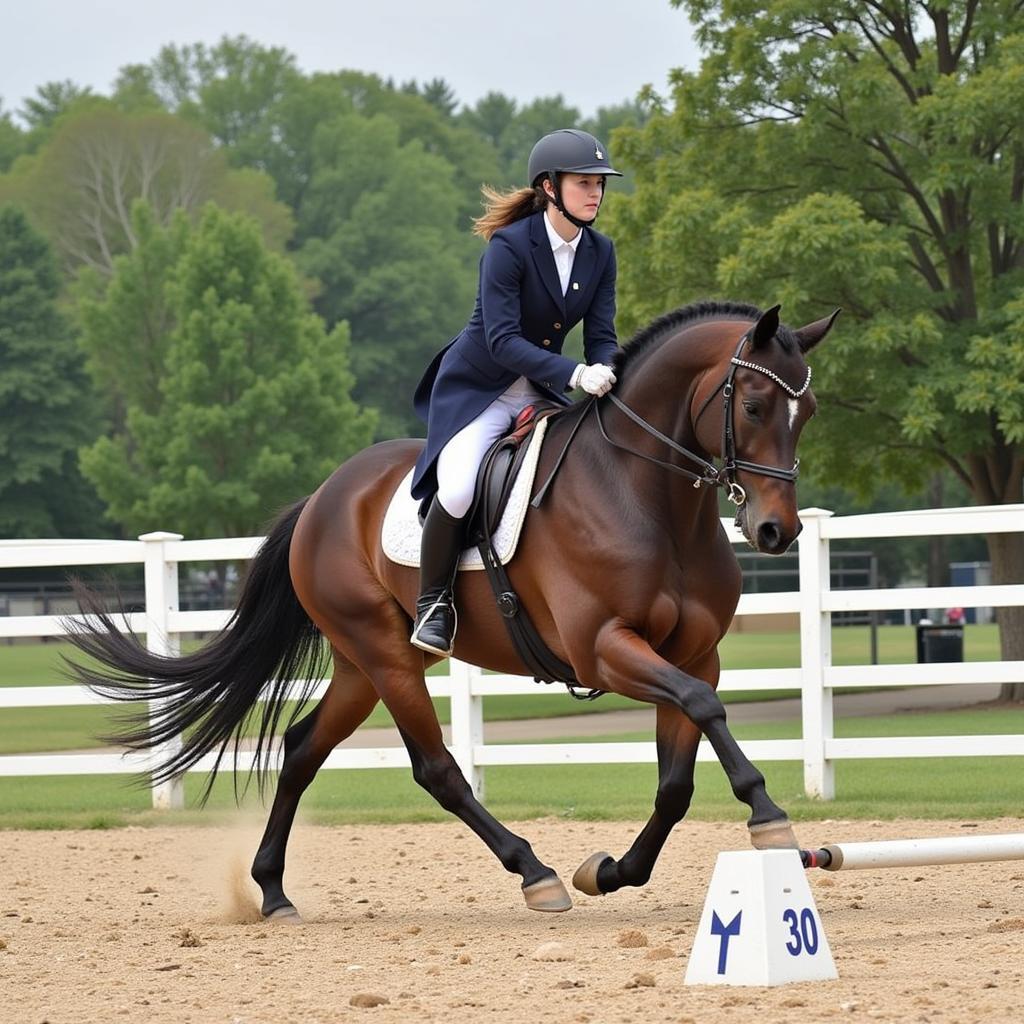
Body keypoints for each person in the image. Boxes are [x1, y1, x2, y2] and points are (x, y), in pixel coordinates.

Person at [408, 128, 623, 656]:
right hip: (481, 389)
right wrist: (576, 374)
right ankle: (433, 604)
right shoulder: (509, 246)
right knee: (458, 488)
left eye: (599, 183)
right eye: (583, 183)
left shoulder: (600, 251)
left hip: (541, 392)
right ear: (549, 187)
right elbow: (502, 340)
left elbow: (601, 335)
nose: (595, 192)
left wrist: (611, 371)